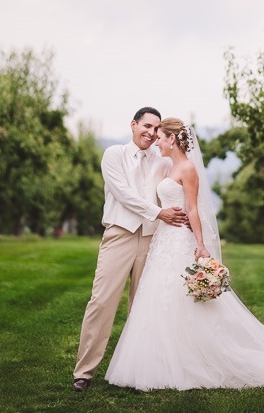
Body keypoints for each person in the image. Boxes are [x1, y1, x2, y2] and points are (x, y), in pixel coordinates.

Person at [105, 118, 264, 391]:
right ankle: (159, 359)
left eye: (160, 137)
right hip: (163, 238)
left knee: (182, 297)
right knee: (159, 296)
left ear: (172, 139)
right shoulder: (169, 167)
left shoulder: (188, 168)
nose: (157, 142)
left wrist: (201, 244)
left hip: (180, 239)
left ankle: (193, 358)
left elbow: (194, 209)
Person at [73, 107, 188, 391]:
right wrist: (159, 213)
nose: (150, 133)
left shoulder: (162, 162)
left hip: (152, 238)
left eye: (156, 129)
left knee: (144, 305)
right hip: (119, 234)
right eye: (146, 126)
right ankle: (84, 372)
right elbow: (124, 194)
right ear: (133, 125)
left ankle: (143, 370)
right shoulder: (114, 155)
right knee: (101, 301)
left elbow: (175, 187)